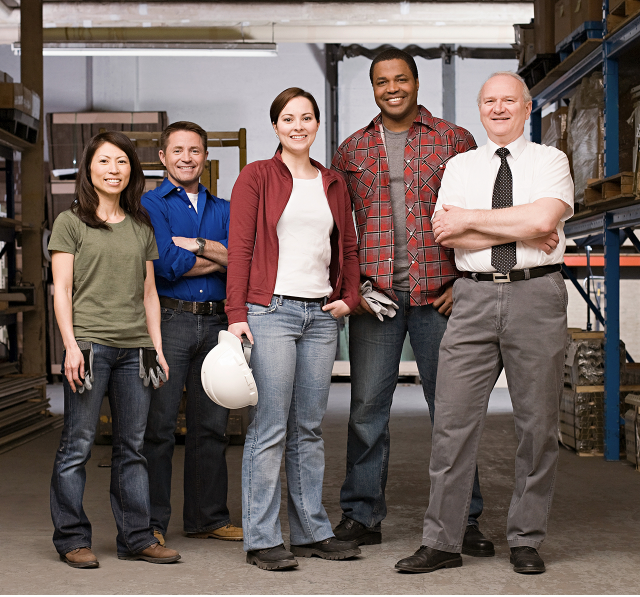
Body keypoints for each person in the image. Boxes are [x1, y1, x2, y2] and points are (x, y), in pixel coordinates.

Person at [395, 71, 573, 575]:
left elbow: (543, 225)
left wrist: (477, 220)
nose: (498, 108)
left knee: (537, 425)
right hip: (470, 300)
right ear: (480, 108)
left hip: (536, 294)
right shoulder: (459, 165)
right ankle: (443, 540)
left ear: (526, 106)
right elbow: (446, 234)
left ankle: (526, 538)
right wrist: (515, 221)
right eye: (489, 101)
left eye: (508, 100)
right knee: (451, 424)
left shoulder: (550, 161)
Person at [331, 48, 493, 557]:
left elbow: (480, 215)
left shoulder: (454, 140)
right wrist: (351, 289)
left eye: (401, 78)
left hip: (440, 296)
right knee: (366, 411)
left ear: (417, 83)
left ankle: (461, 517)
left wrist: (465, 283)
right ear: (373, 88)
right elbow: (339, 227)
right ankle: (361, 515)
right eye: (382, 81)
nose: (392, 88)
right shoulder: (352, 149)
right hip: (376, 300)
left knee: (452, 411)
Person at [226, 87, 361, 570]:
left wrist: (351, 295)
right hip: (271, 312)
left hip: (321, 316)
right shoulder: (257, 176)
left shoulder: (333, 182)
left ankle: (310, 531)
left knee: (309, 428)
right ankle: (262, 539)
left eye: (306, 118)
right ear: (276, 126)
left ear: (317, 125)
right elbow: (239, 248)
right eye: (288, 118)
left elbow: (346, 244)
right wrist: (236, 313)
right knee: (269, 427)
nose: (298, 125)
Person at [49, 131, 180, 568]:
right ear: (89, 169)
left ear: (132, 171)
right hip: (88, 347)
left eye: (122, 162)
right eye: (105, 161)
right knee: (78, 445)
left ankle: (137, 538)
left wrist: (157, 348)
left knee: (133, 447)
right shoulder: (71, 223)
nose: (113, 170)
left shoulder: (141, 225)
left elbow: (149, 295)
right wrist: (70, 346)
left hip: (135, 351)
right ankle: (72, 540)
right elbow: (62, 290)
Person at [141, 122, 242, 545]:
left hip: (218, 324)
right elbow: (164, 264)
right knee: (160, 426)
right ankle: (150, 524)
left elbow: (245, 257)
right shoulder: (150, 204)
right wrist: (221, 254)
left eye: (195, 150)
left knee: (212, 426)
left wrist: (196, 245)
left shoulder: (225, 207)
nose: (187, 158)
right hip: (170, 321)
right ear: (163, 157)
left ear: (205, 158)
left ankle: (208, 518)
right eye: (178, 150)